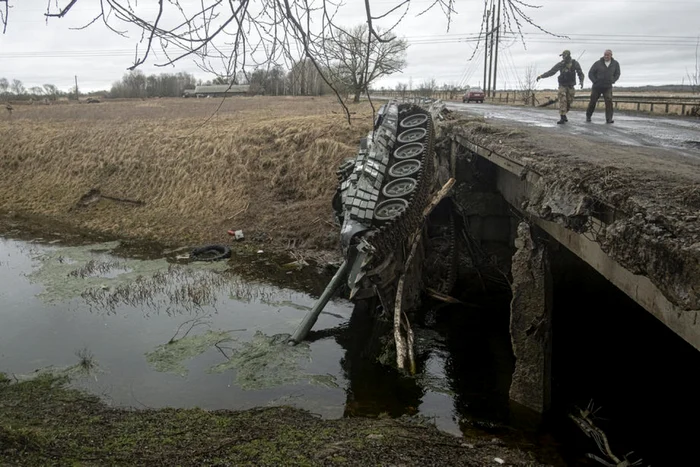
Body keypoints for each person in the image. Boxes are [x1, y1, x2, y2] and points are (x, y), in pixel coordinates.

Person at [536, 50, 584, 124]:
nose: (563, 57)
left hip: (571, 85)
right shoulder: (561, 64)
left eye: (564, 55)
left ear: (568, 55)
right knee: (562, 100)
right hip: (562, 85)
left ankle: (564, 114)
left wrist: (581, 81)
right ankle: (562, 116)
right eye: (562, 56)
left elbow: (580, 73)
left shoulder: (575, 63)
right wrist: (541, 76)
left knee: (569, 102)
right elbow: (552, 71)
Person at [586, 49, 621, 123]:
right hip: (597, 86)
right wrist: (595, 81)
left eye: (608, 55)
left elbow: (617, 73)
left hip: (607, 86)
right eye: (605, 55)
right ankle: (588, 116)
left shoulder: (615, 64)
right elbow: (590, 73)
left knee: (609, 102)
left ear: (611, 55)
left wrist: (613, 80)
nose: (606, 56)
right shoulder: (597, 63)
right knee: (592, 102)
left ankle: (609, 119)